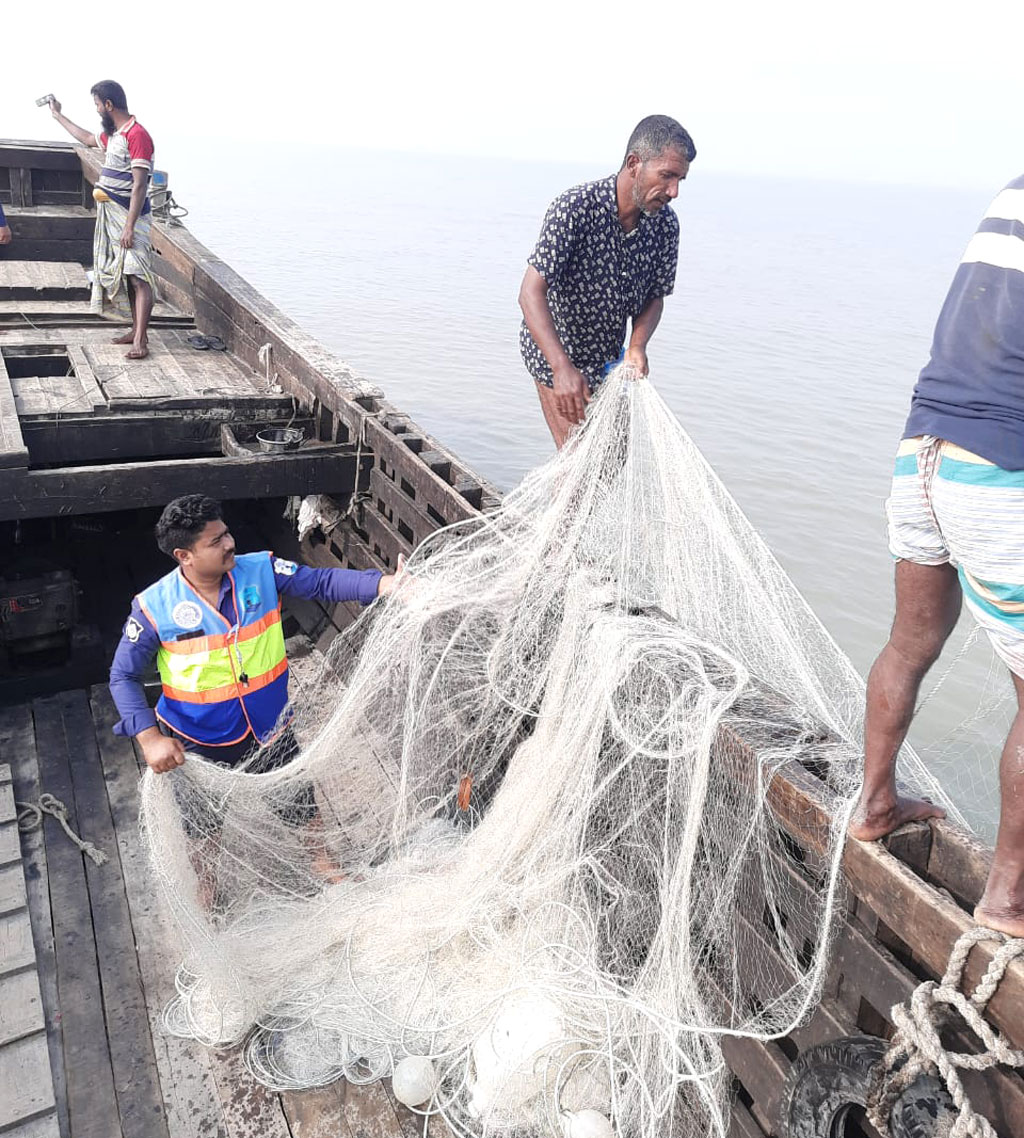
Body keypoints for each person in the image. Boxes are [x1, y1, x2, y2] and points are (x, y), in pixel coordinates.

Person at [850, 173, 1024, 937]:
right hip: (994, 470)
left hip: (922, 449)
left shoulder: (1011, 196)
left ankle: (875, 803)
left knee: (910, 642)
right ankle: (1008, 897)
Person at [108, 494, 402, 777]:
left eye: (227, 533)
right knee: (205, 828)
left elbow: (320, 582)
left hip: (270, 728)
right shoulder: (153, 607)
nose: (230, 543)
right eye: (216, 541)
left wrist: (384, 584)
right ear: (184, 556)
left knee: (304, 815)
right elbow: (123, 675)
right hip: (197, 741)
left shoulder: (262, 570)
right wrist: (149, 738)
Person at [518, 115, 695, 448]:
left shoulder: (665, 225)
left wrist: (637, 346)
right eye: (667, 176)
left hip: (608, 362)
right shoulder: (576, 208)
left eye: (680, 180)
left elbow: (655, 297)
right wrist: (561, 369)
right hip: (557, 354)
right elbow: (530, 293)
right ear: (634, 164)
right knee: (577, 462)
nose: (674, 191)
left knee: (612, 459)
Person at [48, 82, 158, 359]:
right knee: (126, 274)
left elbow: (139, 186)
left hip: (130, 216)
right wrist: (58, 115)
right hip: (112, 215)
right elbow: (87, 138)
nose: (97, 110)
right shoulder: (116, 135)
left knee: (139, 276)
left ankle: (141, 341)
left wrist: (130, 226)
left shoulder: (137, 134)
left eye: (97, 104)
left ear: (108, 104)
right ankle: (135, 330)